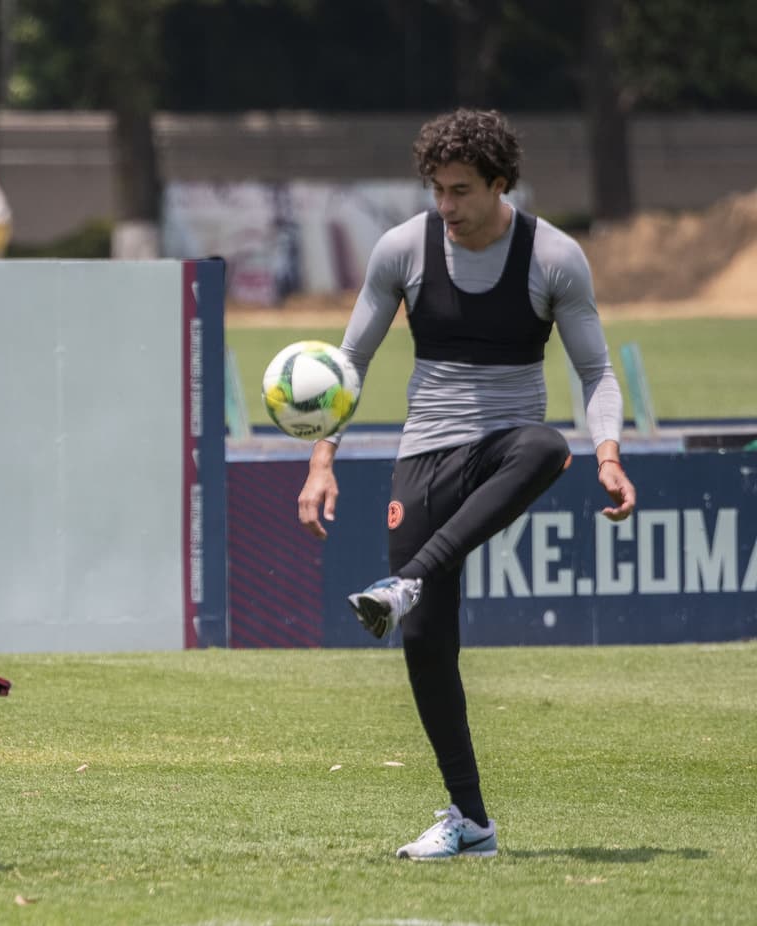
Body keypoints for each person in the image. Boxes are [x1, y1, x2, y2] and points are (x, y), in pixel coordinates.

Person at [296, 109, 637, 860]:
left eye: (460, 191)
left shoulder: (554, 257)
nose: (445, 207)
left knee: (549, 447)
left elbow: (595, 372)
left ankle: (405, 581)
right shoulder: (402, 250)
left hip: (506, 446)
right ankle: (470, 821)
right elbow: (348, 364)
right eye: (436, 190)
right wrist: (322, 460)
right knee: (426, 645)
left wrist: (607, 453)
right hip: (424, 457)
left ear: (499, 184)